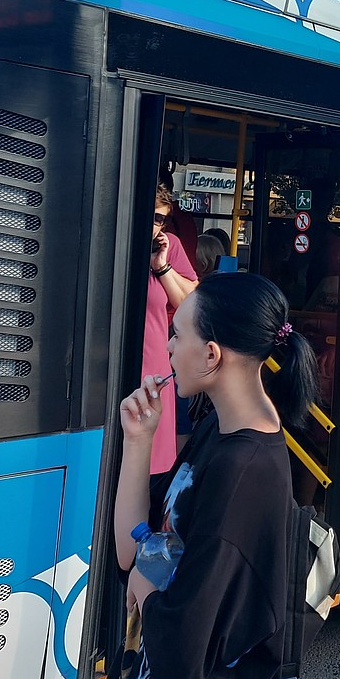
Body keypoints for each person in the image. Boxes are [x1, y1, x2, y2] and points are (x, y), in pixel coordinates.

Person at [92, 273, 316, 679]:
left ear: (212, 355)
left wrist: (148, 591)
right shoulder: (220, 428)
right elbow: (132, 549)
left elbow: (185, 643)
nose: (169, 348)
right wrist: (138, 441)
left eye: (177, 334)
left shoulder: (245, 473)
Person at [146, 186, 198, 474]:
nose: (153, 225)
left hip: (154, 362)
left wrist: (162, 267)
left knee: (153, 464)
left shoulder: (170, 245)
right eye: (149, 216)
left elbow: (188, 301)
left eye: (159, 219)